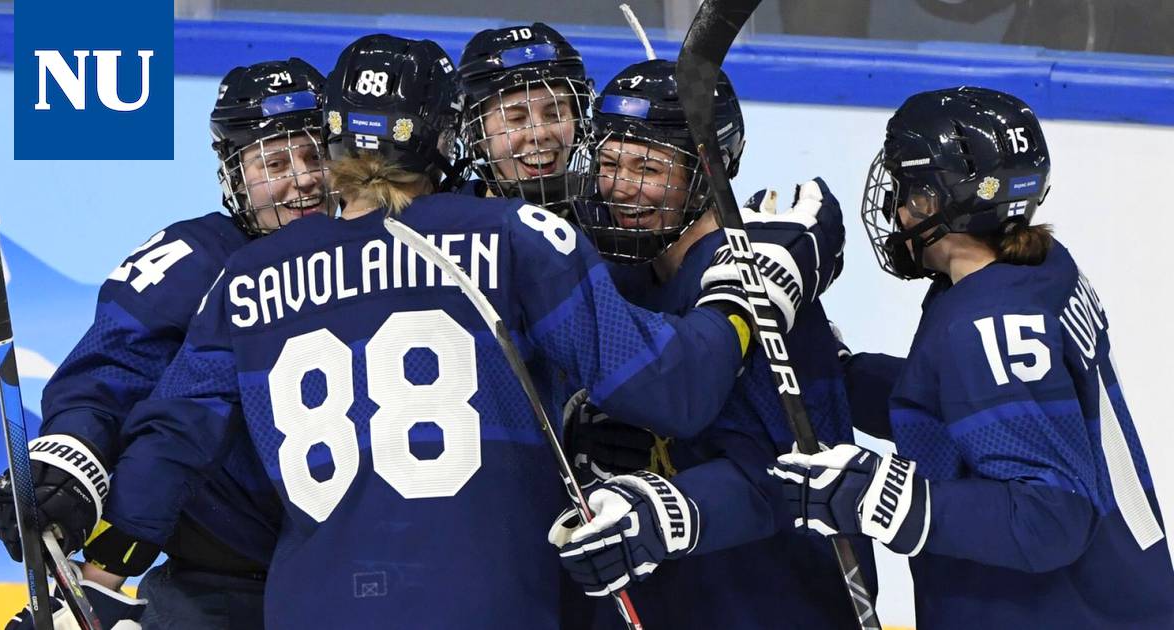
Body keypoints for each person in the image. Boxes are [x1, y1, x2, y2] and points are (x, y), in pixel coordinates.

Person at [0, 34, 833, 629]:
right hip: (493, 600)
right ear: (447, 133)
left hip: (309, 606)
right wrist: (742, 294)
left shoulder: (247, 279)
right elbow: (678, 391)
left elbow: (167, 447)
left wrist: (87, 565)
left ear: (332, 145)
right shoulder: (512, 239)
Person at [771, 86, 1174, 628]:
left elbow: (1050, 518)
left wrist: (895, 500)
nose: (896, 207)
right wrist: (839, 372)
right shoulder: (1035, 270)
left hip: (1065, 612)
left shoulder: (987, 323)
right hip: (1119, 592)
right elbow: (958, 405)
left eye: (908, 189)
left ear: (941, 202)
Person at [0, 58, 333, 629]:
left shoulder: (388, 253)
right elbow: (110, 370)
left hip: (362, 569)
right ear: (234, 173)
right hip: (220, 582)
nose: (302, 179)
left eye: (314, 154)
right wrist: (65, 465)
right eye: (273, 161)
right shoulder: (194, 258)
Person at [545, 59, 874, 629]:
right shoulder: (632, 275)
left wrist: (664, 510)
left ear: (706, 169)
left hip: (778, 605)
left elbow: (792, 482)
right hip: (687, 601)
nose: (620, 187)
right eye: (609, 162)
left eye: (647, 166)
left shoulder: (757, 285)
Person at [457, 22, 593, 212]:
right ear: (477, 134)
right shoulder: (446, 225)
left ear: (578, 120)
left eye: (554, 115)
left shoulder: (612, 215)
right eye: (515, 119)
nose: (539, 133)